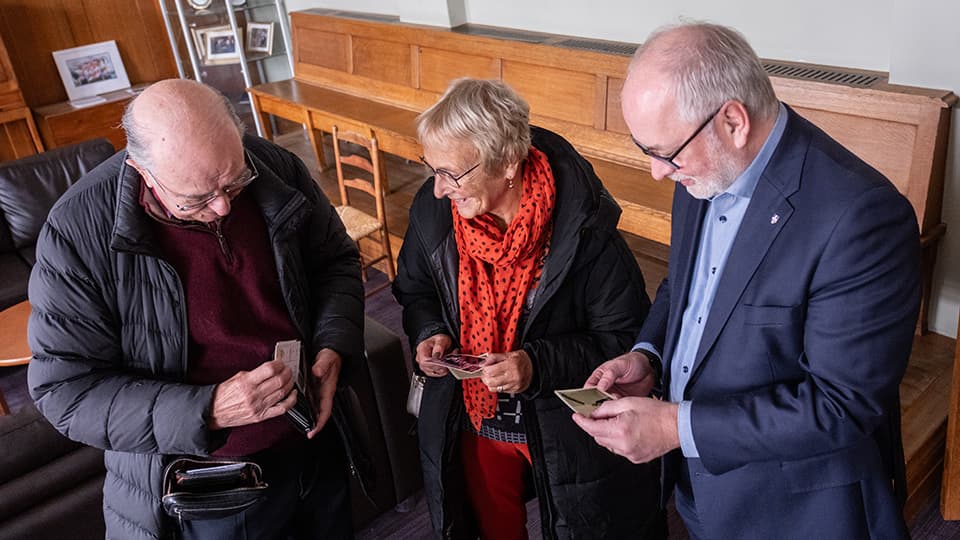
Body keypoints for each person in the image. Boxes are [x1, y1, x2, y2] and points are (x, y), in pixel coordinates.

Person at [573, 22, 920, 539]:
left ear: (733, 120)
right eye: (645, 149)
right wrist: (650, 356)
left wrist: (673, 426)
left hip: (798, 510)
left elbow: (839, 406)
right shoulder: (701, 163)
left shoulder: (861, 216)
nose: (656, 172)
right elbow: (687, 287)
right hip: (705, 489)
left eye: (664, 152)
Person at [27, 79, 364, 540]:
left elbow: (335, 262)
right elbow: (64, 391)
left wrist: (333, 345)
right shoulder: (76, 232)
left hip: (313, 442)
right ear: (143, 173)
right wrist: (206, 410)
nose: (224, 206)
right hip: (214, 485)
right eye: (197, 199)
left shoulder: (271, 164)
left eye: (234, 181)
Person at [393, 78, 665, 539]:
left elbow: (625, 338)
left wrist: (536, 364)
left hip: (563, 430)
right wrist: (430, 330)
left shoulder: (583, 227)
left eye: (452, 174)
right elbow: (416, 290)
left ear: (507, 164)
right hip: (475, 419)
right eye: (431, 169)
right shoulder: (434, 212)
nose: (439, 189)